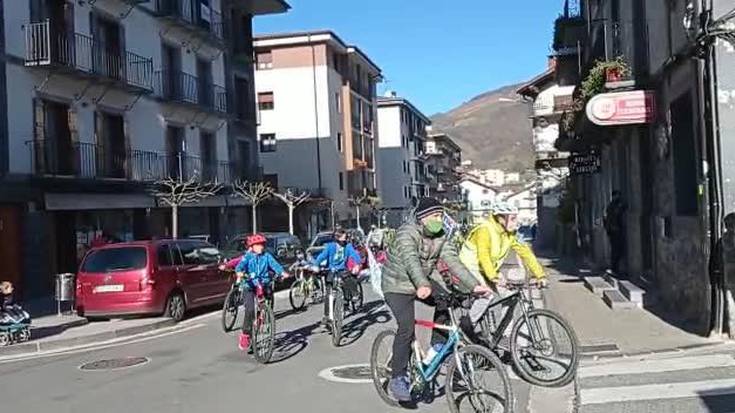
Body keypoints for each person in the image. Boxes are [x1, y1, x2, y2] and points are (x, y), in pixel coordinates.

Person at [381, 197, 491, 401]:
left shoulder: (441, 236)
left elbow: (454, 262)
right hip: (397, 286)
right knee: (406, 327)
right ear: (422, 218)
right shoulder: (407, 233)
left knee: (446, 307)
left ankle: (437, 348)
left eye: (441, 215)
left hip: (422, 282)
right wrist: (422, 284)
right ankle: (398, 377)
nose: (439, 220)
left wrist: (474, 285)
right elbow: (411, 261)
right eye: (434, 216)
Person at [460, 201, 547, 289]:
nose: (516, 222)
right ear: (500, 218)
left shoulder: (511, 233)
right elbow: (484, 255)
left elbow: (526, 253)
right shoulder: (484, 229)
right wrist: (493, 277)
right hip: (469, 269)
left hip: (487, 269)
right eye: (513, 219)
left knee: (507, 292)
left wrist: (540, 276)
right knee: (488, 294)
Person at [234, 234, 289, 352]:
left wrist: (282, 272)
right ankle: (246, 334)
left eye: (262, 245)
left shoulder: (267, 256)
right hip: (249, 285)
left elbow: (275, 265)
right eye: (257, 245)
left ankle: (263, 317)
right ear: (252, 246)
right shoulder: (248, 257)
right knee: (250, 310)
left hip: (263, 284)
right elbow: (239, 267)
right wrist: (240, 272)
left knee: (266, 302)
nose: (261, 247)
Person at [311, 228, 362, 325]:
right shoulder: (330, 246)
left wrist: (357, 264)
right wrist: (316, 265)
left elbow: (355, 255)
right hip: (331, 270)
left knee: (348, 279)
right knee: (329, 292)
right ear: (337, 238)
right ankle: (327, 315)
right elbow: (322, 256)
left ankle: (353, 296)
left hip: (342, 269)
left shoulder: (348, 246)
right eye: (343, 236)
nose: (345, 238)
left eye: (345, 237)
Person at [604, 190, 627, 275]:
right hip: (614, 230)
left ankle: (615, 268)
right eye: (617, 195)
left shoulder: (612, 205)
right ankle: (615, 269)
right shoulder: (612, 206)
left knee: (617, 250)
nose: (618, 197)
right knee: (616, 250)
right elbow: (615, 214)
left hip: (614, 230)